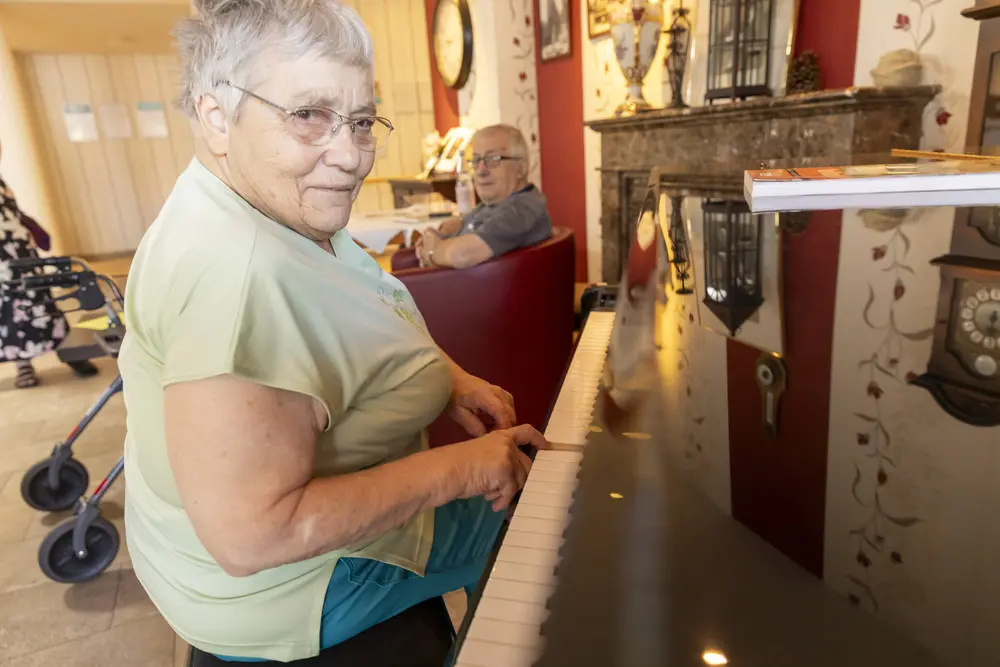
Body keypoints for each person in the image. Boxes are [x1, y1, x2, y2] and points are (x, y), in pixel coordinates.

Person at [119, 0, 547, 663]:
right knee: (548, 524)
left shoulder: (265, 200)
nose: (350, 157)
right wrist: (458, 468)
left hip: (242, 563)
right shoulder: (237, 276)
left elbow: (361, 299)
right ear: (215, 116)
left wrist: (449, 378)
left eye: (360, 119)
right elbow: (251, 536)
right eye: (308, 116)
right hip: (290, 585)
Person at [0, 140, 97, 388]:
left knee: (42, 302)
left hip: (23, 255)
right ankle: (23, 365)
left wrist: (34, 231)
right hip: (2, 264)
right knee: (9, 313)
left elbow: (15, 213)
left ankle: (70, 353)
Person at [414, 124, 552, 269]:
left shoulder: (520, 209)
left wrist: (431, 252)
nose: (481, 171)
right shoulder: (494, 203)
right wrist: (436, 237)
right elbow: (454, 228)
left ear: (521, 168)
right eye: (476, 160)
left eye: (493, 159)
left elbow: (461, 254)